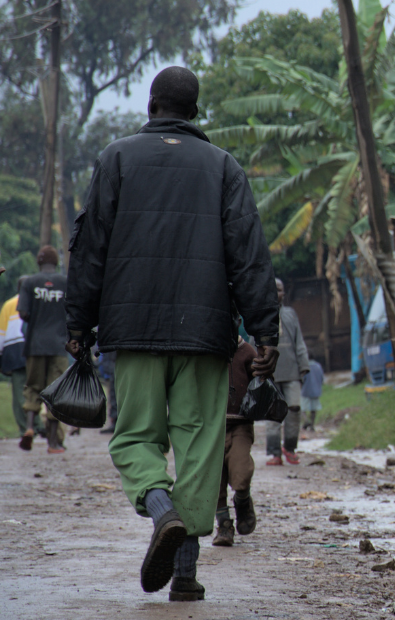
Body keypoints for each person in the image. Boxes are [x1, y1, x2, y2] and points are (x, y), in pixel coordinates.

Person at [65, 66, 279, 602]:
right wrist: (264, 330)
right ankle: (185, 575)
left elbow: (90, 248)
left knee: (135, 437)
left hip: (133, 331)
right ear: (195, 111)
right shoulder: (223, 167)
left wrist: (77, 323)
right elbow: (249, 257)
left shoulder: (116, 158)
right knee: (200, 448)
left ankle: (160, 512)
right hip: (206, 336)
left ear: (151, 104)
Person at [18, 246, 69, 453]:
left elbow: (22, 313)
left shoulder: (29, 282)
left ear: (39, 263)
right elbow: (73, 312)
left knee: (33, 387)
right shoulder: (66, 283)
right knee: (55, 393)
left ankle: (29, 428)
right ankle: (53, 443)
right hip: (58, 345)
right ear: (56, 262)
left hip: (35, 345)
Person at [213, 331, 259, 547]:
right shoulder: (207, 352)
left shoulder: (247, 353)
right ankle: (224, 526)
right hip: (212, 428)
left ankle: (242, 500)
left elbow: (260, 383)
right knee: (214, 482)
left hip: (240, 424)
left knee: (241, 473)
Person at [267, 278, 308, 466]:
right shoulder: (262, 314)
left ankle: (290, 448)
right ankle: (275, 454)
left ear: (284, 293)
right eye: (274, 289)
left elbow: (299, 342)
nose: (277, 293)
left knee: (294, 408)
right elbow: (254, 343)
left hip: (292, 371)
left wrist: (304, 366)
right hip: (270, 373)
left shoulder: (291, 314)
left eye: (280, 290)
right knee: (273, 413)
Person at [0, 277, 43, 437]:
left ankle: (25, 428)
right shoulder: (37, 302)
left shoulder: (9, 304)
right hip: (34, 348)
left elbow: (0, 333)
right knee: (35, 388)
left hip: (13, 351)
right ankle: (38, 425)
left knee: (19, 391)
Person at [97, 347, 118, 434]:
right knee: (112, 395)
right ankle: (114, 421)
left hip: (114, 363)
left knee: (115, 395)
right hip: (111, 364)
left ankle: (117, 421)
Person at [301, 358, 324, 431]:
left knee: (302, 408)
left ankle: (306, 420)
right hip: (315, 391)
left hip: (305, 391)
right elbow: (322, 378)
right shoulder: (318, 366)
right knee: (314, 409)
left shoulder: (304, 366)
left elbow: (302, 379)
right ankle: (312, 425)